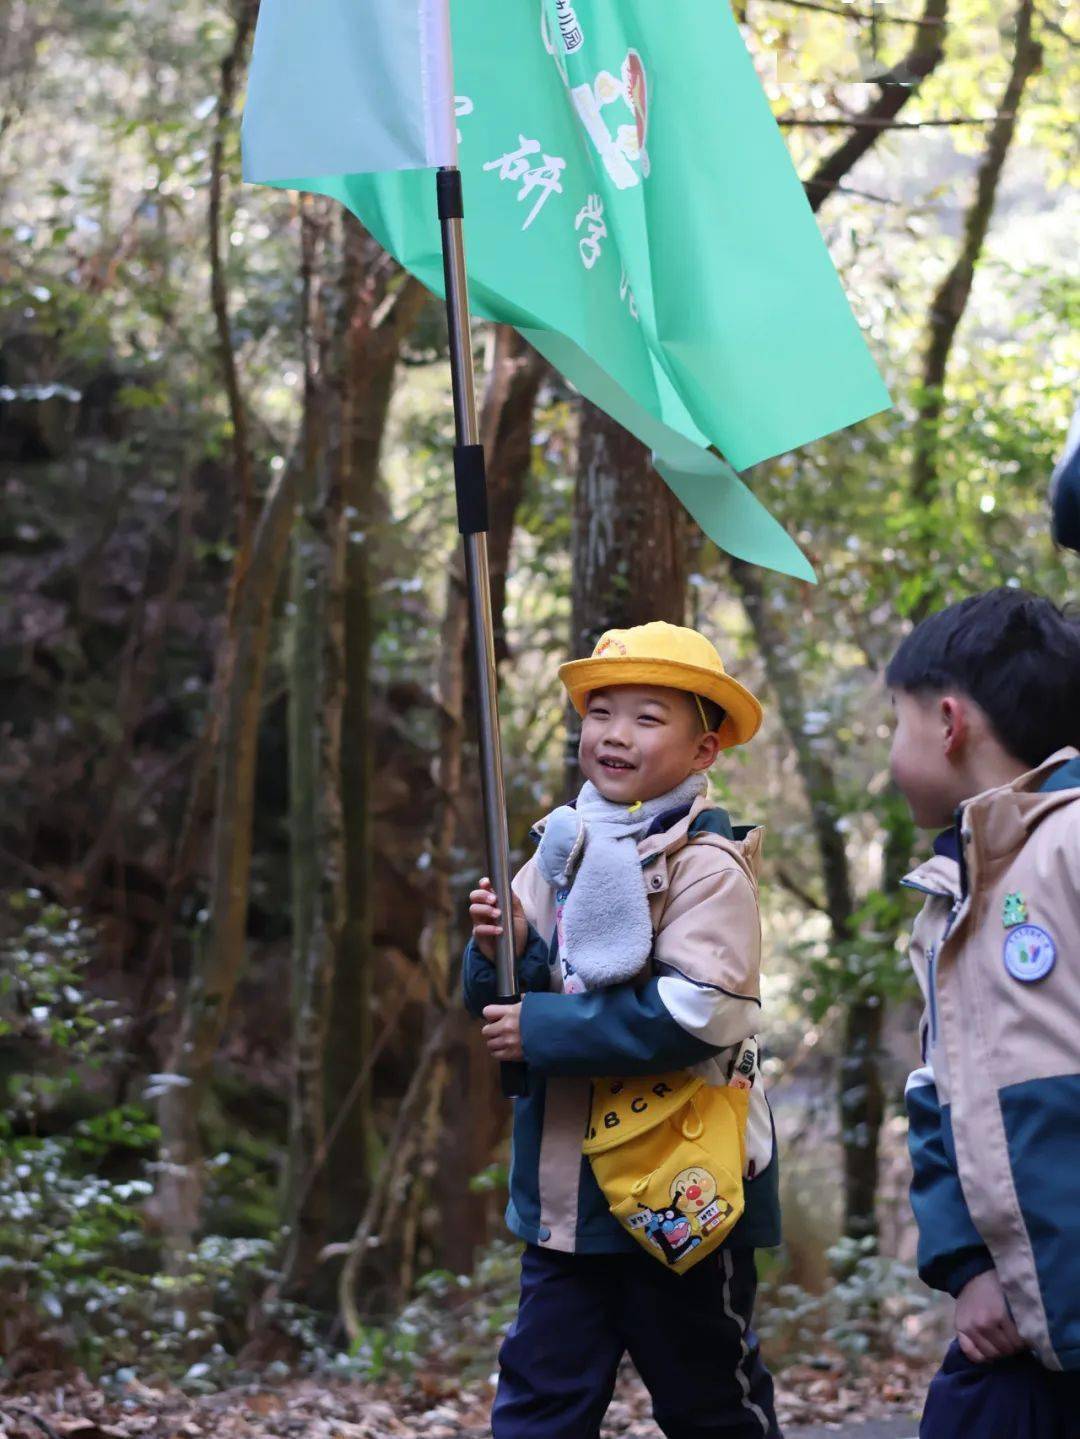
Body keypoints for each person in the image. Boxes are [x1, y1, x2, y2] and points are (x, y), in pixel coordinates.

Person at [463, 621, 783, 1439]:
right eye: (600, 711)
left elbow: (699, 1009)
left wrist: (545, 1028)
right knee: (540, 1400)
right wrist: (503, 950)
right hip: (566, 1202)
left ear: (704, 749)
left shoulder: (706, 863)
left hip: (678, 1187)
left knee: (709, 1397)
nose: (613, 733)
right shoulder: (559, 847)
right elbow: (501, 1004)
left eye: (647, 717)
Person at [886, 588, 1080, 1438]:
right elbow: (939, 1099)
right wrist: (968, 1267)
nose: (888, 753)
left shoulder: (1068, 849)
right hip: (1017, 1335)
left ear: (949, 722)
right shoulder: (950, 901)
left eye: (895, 722)